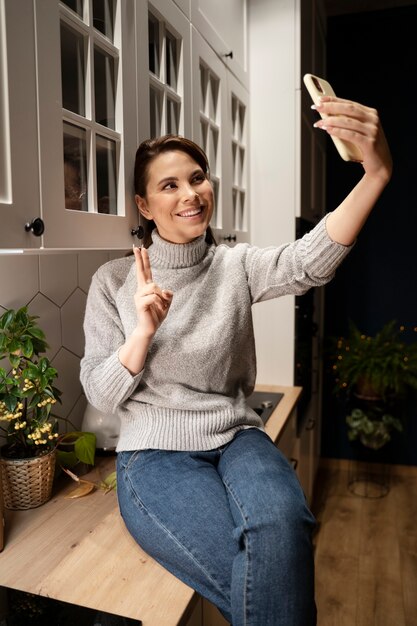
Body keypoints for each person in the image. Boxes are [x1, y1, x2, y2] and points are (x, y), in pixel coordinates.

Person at [80, 95, 392, 626]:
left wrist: (377, 173)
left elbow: (310, 261)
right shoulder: (112, 281)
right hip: (155, 455)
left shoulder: (236, 265)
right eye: (169, 185)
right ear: (144, 205)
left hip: (238, 436)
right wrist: (142, 333)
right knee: (274, 583)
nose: (190, 194)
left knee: (283, 527)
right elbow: (101, 394)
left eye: (197, 178)